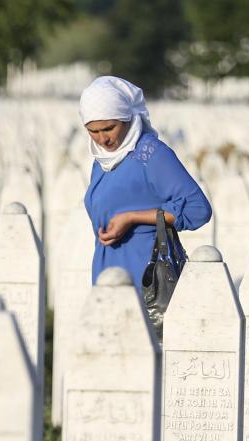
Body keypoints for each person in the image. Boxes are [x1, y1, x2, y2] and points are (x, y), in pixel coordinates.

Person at [80, 76, 212, 285]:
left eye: (109, 128)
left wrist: (132, 218)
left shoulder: (151, 154)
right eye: (93, 131)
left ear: (128, 118)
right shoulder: (102, 160)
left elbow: (198, 210)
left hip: (147, 278)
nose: (102, 140)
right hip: (108, 272)